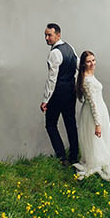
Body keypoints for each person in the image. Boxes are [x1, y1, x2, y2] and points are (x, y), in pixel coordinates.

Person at [73, 50, 110, 184]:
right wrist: (97, 124)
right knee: (96, 138)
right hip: (94, 112)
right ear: (83, 64)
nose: (92, 63)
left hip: (100, 109)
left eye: (93, 60)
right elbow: (93, 104)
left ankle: (99, 158)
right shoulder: (86, 80)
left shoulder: (88, 74)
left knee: (101, 138)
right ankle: (96, 161)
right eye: (88, 61)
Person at [40, 23, 79, 165]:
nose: (46, 38)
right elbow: (78, 66)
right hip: (71, 91)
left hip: (58, 93)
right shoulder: (70, 48)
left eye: (49, 35)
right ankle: (74, 156)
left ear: (58, 35)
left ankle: (62, 157)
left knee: (50, 124)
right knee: (70, 123)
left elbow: (52, 79)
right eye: (45, 35)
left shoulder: (54, 53)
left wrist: (45, 100)